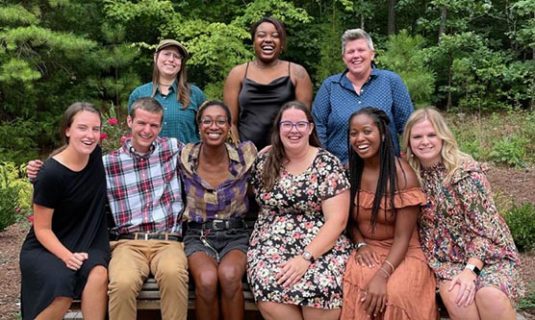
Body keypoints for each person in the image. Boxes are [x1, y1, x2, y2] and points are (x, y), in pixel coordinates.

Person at [402, 107, 524, 320]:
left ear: (443, 137)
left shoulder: (464, 175)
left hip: (488, 256)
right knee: (458, 297)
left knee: (490, 296)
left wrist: (470, 270)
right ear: (409, 142)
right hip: (446, 262)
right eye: (418, 136)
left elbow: (486, 231)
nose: (425, 141)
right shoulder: (409, 176)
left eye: (431, 135)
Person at [247, 101, 351, 320]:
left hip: (321, 242)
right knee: (270, 286)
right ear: (278, 128)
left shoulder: (326, 164)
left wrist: (305, 258)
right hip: (270, 242)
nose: (294, 130)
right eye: (287, 124)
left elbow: (337, 221)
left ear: (310, 128)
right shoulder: (265, 161)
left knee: (323, 287)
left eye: (300, 124)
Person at [341, 107, 436, 320]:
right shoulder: (349, 171)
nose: (360, 138)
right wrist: (360, 244)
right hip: (367, 248)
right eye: (353, 133)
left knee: (396, 294)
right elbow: (347, 220)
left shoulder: (402, 176)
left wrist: (383, 275)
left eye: (367, 131)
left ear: (382, 135)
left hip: (402, 252)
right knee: (362, 285)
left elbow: (403, 238)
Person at [20, 102, 110, 320]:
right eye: (82, 128)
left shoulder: (95, 155)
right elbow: (42, 229)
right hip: (48, 246)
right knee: (61, 288)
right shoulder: (50, 174)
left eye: (95, 129)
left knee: (98, 274)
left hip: (89, 240)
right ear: (67, 130)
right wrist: (68, 257)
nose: (90, 135)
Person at [103, 97, 188, 320]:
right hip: (128, 242)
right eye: (141, 123)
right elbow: (74, 170)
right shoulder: (108, 163)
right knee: (122, 283)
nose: (147, 130)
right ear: (129, 121)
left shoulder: (173, 148)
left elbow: (210, 154)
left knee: (173, 274)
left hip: (168, 241)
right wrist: (42, 170)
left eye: (153, 125)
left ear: (160, 127)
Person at [180, 100, 257, 320]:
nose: (214, 126)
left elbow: (274, 163)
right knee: (206, 279)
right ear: (199, 126)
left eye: (221, 121)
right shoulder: (185, 155)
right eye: (207, 121)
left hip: (235, 234)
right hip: (198, 234)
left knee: (230, 275)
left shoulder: (245, 155)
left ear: (229, 126)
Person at [312, 28, 413, 164]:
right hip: (341, 170)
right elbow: (318, 126)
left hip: (385, 168)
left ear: (372, 54)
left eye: (361, 50)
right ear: (344, 58)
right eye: (350, 52)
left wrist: (410, 159)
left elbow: (408, 125)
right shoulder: (330, 86)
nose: (356, 55)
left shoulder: (390, 82)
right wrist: (323, 162)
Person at [224, 17, 313, 150]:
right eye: (261, 35)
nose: (268, 39)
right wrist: (239, 153)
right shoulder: (237, 74)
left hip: (286, 153)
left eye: (275, 36)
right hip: (246, 155)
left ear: (282, 43)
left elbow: (303, 123)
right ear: (254, 42)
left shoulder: (298, 73)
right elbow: (231, 122)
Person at [128, 39, 206, 143]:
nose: (171, 59)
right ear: (156, 57)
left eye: (177, 56)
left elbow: (206, 130)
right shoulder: (139, 94)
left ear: (181, 63)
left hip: (186, 158)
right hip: (150, 159)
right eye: (166, 54)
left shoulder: (195, 94)